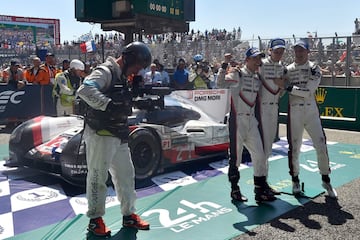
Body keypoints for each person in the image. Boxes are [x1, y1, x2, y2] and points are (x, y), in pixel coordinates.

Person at [76, 41, 151, 237]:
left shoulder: (123, 76)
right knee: (97, 177)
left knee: (126, 175)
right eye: (136, 66)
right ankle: (95, 220)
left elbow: (122, 101)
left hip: (119, 133)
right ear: (127, 60)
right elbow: (85, 90)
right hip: (100, 134)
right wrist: (109, 105)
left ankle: (129, 215)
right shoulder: (106, 71)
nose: (137, 71)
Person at [273, 39, 337, 198]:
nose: (299, 53)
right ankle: (295, 179)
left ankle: (326, 179)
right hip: (294, 112)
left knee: (321, 144)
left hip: (311, 111)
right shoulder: (287, 70)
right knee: (294, 147)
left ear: (308, 52)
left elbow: (308, 91)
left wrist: (286, 87)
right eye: (296, 50)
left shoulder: (314, 68)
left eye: (302, 50)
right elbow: (278, 90)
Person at [217, 47, 276, 203]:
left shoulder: (257, 77)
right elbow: (220, 83)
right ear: (247, 60)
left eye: (260, 59)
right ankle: (235, 190)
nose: (259, 62)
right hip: (237, 120)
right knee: (235, 157)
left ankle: (260, 189)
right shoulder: (238, 73)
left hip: (251, 122)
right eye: (255, 58)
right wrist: (225, 64)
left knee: (260, 155)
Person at [257, 38, 287, 195]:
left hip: (274, 109)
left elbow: (280, 91)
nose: (279, 54)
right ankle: (260, 185)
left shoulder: (282, 67)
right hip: (261, 109)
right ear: (270, 50)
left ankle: (264, 183)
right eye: (276, 51)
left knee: (268, 148)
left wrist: (281, 86)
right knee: (261, 148)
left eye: (281, 51)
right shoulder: (260, 64)